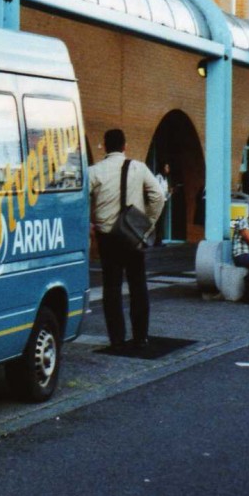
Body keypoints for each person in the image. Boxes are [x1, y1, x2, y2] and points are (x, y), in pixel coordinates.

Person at [89, 129, 166, 352]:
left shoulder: (93, 172)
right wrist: (147, 223)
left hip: (107, 236)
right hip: (133, 234)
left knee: (111, 287)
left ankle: (117, 338)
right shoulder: (138, 168)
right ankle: (141, 337)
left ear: (104, 145)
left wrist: (91, 225)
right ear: (125, 146)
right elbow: (158, 196)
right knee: (138, 285)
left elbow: (82, 199)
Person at [154, 163, 172, 245]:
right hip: (159, 202)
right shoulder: (158, 178)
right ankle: (157, 240)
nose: (168, 169)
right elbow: (158, 191)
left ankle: (159, 240)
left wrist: (170, 193)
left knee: (161, 221)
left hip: (163, 202)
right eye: (166, 167)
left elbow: (165, 195)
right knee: (159, 222)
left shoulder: (165, 179)